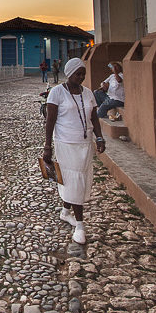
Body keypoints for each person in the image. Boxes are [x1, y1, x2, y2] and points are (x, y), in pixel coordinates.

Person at [43, 57, 106, 244]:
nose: (81, 77)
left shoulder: (87, 93)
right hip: (65, 143)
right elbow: (50, 121)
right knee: (74, 180)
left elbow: (94, 118)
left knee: (79, 179)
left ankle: (65, 211)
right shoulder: (57, 93)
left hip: (84, 144)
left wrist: (100, 137)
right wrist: (47, 146)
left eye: (83, 74)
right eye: (78, 74)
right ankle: (80, 225)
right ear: (69, 74)